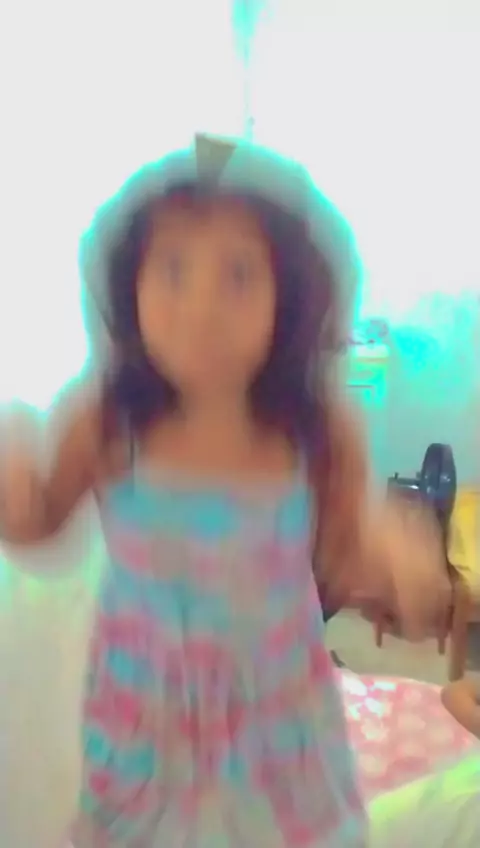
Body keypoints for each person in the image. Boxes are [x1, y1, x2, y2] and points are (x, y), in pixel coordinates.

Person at [0, 142, 447, 846]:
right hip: (144, 719)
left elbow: (346, 556)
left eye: (238, 275)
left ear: (287, 296)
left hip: (278, 720)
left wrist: (397, 560)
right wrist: (16, 474)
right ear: (129, 283)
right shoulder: (105, 415)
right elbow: (40, 520)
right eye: (173, 270)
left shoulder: (317, 426)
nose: (202, 308)